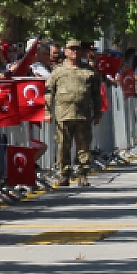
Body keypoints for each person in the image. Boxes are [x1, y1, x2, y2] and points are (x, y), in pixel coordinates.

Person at [46, 40, 100, 186]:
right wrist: (47, 110)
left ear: (82, 52)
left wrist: (98, 112)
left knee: (84, 145)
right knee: (63, 145)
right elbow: (49, 91)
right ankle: (64, 174)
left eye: (77, 49)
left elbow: (96, 94)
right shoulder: (58, 71)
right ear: (66, 51)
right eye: (72, 49)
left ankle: (83, 174)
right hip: (63, 114)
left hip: (83, 114)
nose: (75, 52)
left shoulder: (89, 71)